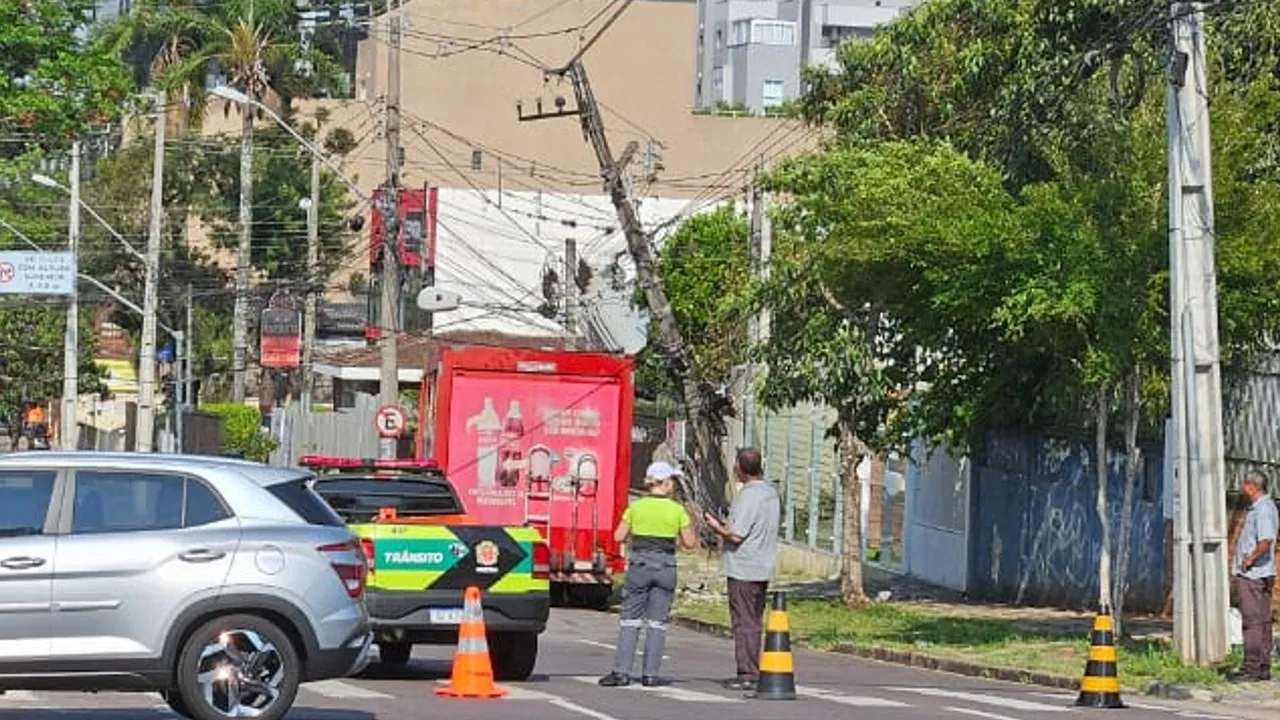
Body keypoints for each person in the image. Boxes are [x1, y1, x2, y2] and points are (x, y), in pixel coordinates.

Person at [598, 461, 697, 688]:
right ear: (666, 483)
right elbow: (690, 542)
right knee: (657, 623)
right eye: (672, 480)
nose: (674, 485)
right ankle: (650, 674)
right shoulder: (677, 510)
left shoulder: (636, 507)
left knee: (630, 620)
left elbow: (618, 536)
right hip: (666, 567)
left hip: (640, 566)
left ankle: (621, 672)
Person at [701, 446, 780, 692]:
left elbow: (736, 535)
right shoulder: (771, 493)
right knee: (753, 619)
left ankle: (748, 672)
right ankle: (751, 668)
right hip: (762, 564)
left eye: (736, 465)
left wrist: (715, 525)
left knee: (744, 622)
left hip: (744, 567)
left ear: (741, 469)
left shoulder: (749, 495)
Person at [1230, 469, 1277, 682]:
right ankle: (1262, 667)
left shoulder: (1263, 509)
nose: (1242, 488)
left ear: (1252, 486)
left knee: (1253, 621)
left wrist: (1249, 559)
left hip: (1254, 575)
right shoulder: (1261, 508)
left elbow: (1265, 539)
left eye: (1244, 484)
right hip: (1261, 573)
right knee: (1262, 621)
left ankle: (1252, 667)